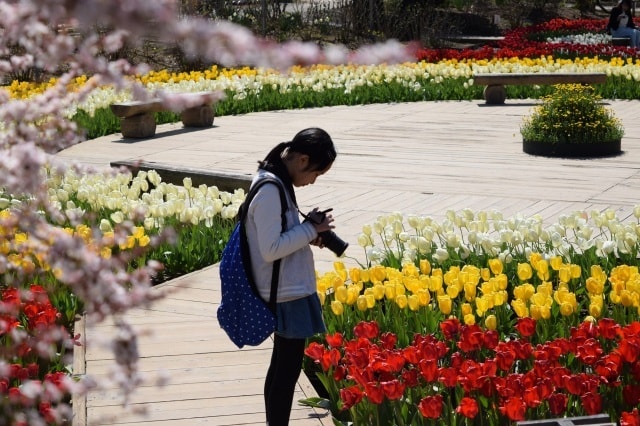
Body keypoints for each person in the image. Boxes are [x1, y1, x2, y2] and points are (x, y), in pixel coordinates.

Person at [245, 127, 337, 426]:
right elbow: (271, 249)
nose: (312, 181)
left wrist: (307, 231)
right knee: (286, 374)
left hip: (287, 288)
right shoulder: (271, 190)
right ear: (302, 160)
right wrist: (311, 229)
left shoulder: (274, 181)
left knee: (280, 370)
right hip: (287, 292)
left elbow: (278, 236)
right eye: (316, 174)